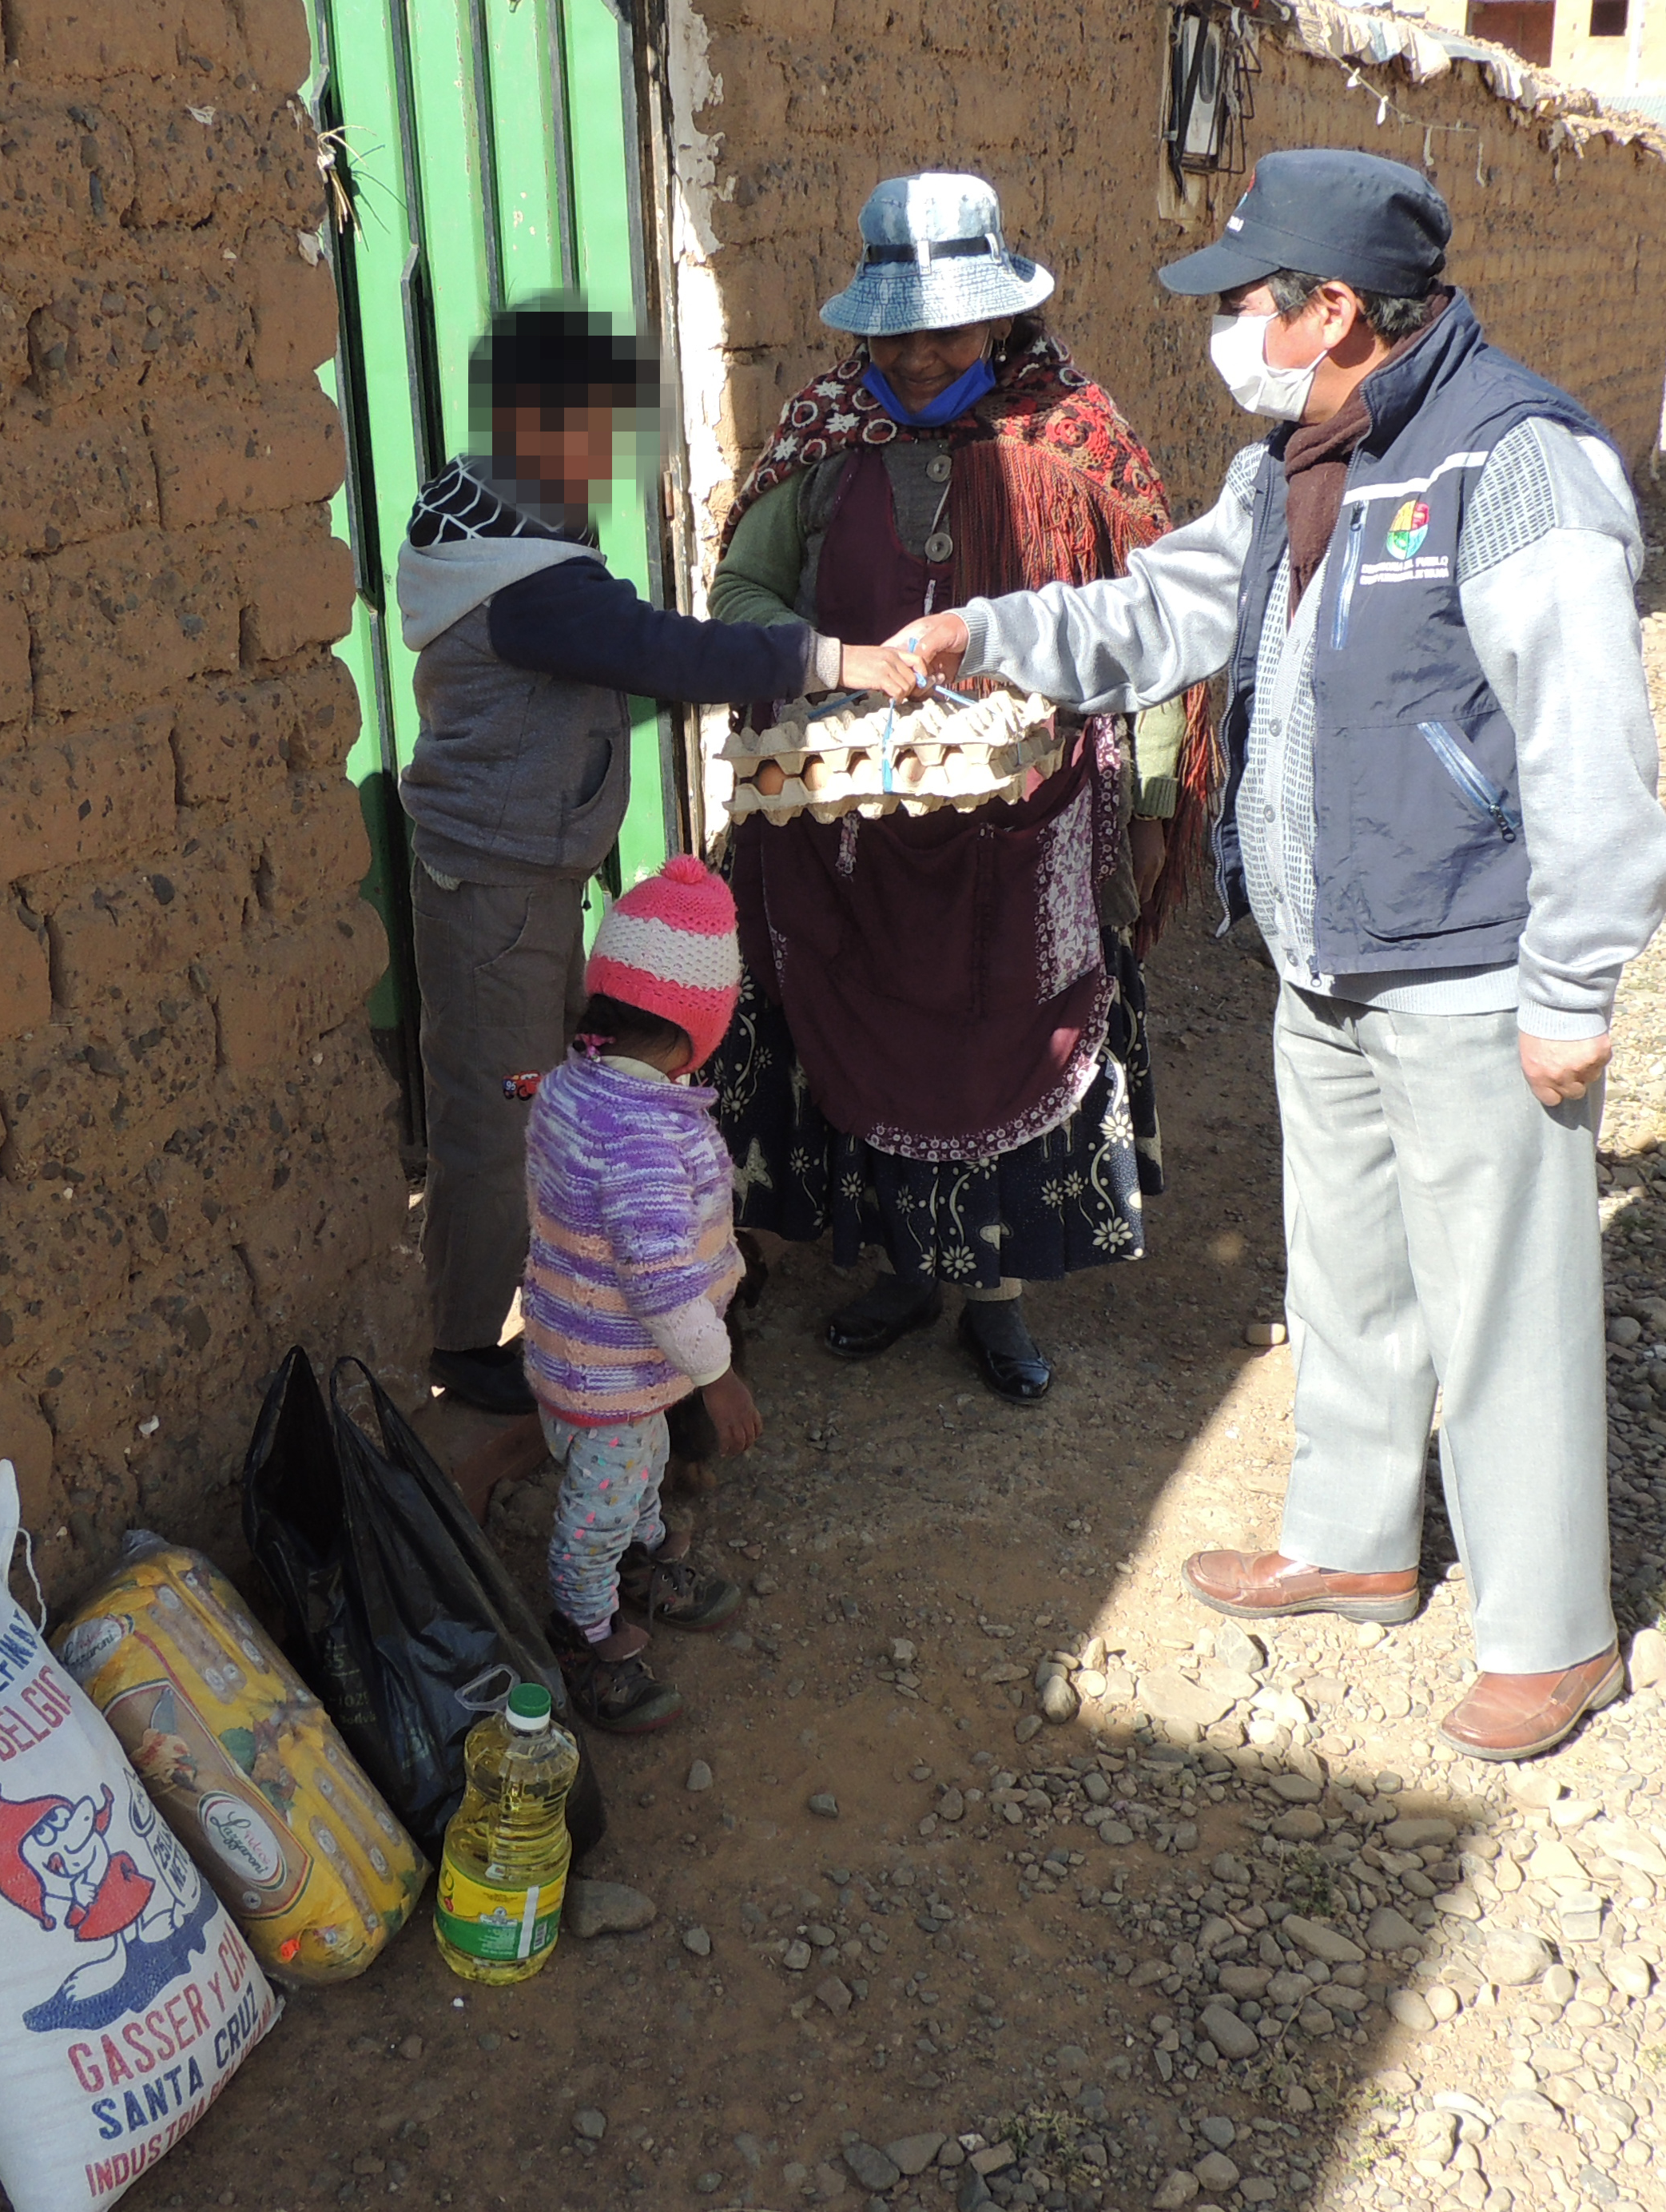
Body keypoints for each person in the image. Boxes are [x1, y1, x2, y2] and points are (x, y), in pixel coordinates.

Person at [893, 149, 1666, 1762]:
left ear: (1331, 308)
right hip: (1324, 945)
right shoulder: (1291, 462)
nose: (1226, 329)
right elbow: (1160, 614)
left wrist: (1571, 982)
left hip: (1467, 957)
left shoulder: (1511, 461)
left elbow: (1591, 746)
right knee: (1346, 1265)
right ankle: (1354, 1537)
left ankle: (1555, 1633)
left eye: (1249, 300)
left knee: (1506, 1302)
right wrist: (987, 634)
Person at [706, 174, 1217, 1405]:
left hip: (1024, 823)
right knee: (864, 1026)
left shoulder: (1074, 437)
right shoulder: (821, 437)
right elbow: (745, 597)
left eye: (948, 328)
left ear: (1000, 319)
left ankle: (997, 1293)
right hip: (854, 820)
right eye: (899, 330)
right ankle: (900, 1268)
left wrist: (1153, 799)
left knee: (1009, 1032)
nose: (923, 355)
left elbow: (1152, 625)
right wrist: (831, 683)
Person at [396, 304, 916, 1416]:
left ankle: (551, 1283)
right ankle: (463, 1345)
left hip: (513, 860)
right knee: (496, 1115)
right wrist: (828, 659)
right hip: (494, 876)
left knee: (529, 1094)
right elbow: (658, 651)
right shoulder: (525, 573)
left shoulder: (502, 517)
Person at [518, 857, 760, 1733]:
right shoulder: (645, 1140)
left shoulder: (573, 1086)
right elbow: (659, 1287)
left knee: (635, 1470)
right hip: (613, 1373)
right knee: (601, 1501)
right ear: (698, 1027)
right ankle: (579, 1622)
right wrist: (718, 1375)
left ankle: (644, 1551)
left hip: (583, 1354)